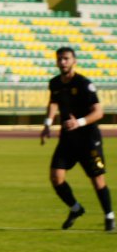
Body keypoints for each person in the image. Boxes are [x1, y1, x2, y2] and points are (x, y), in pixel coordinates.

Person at [40, 46, 112, 232]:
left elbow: (99, 112)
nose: (63, 62)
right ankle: (75, 208)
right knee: (56, 177)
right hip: (68, 139)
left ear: (74, 61)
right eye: (60, 59)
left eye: (66, 58)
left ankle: (109, 217)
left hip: (88, 139)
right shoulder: (55, 83)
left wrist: (79, 122)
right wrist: (48, 123)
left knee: (97, 180)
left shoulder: (84, 84)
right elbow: (54, 102)